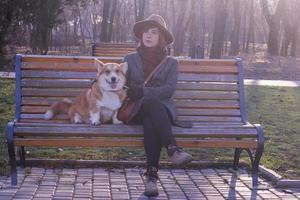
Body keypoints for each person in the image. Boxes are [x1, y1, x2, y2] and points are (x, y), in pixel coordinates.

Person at [123, 14, 193, 197]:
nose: (148, 35)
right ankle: (173, 149)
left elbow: (169, 90)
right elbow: (123, 85)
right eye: (146, 32)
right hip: (135, 109)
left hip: (162, 110)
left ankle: (151, 178)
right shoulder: (129, 59)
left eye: (154, 32)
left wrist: (143, 92)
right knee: (148, 107)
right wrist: (130, 90)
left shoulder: (172, 63)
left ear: (161, 37)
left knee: (150, 118)